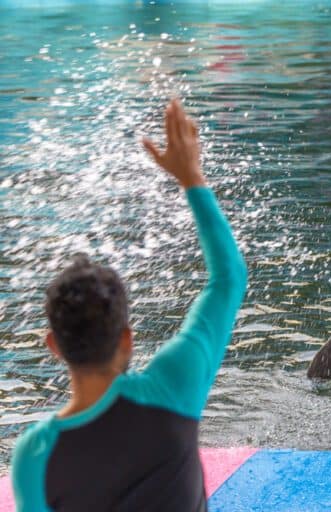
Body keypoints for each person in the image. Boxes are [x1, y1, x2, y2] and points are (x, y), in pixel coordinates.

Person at [10, 99, 247, 511]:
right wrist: (192, 178)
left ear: (54, 345)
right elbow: (229, 279)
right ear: (126, 339)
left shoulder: (35, 455)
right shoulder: (173, 385)